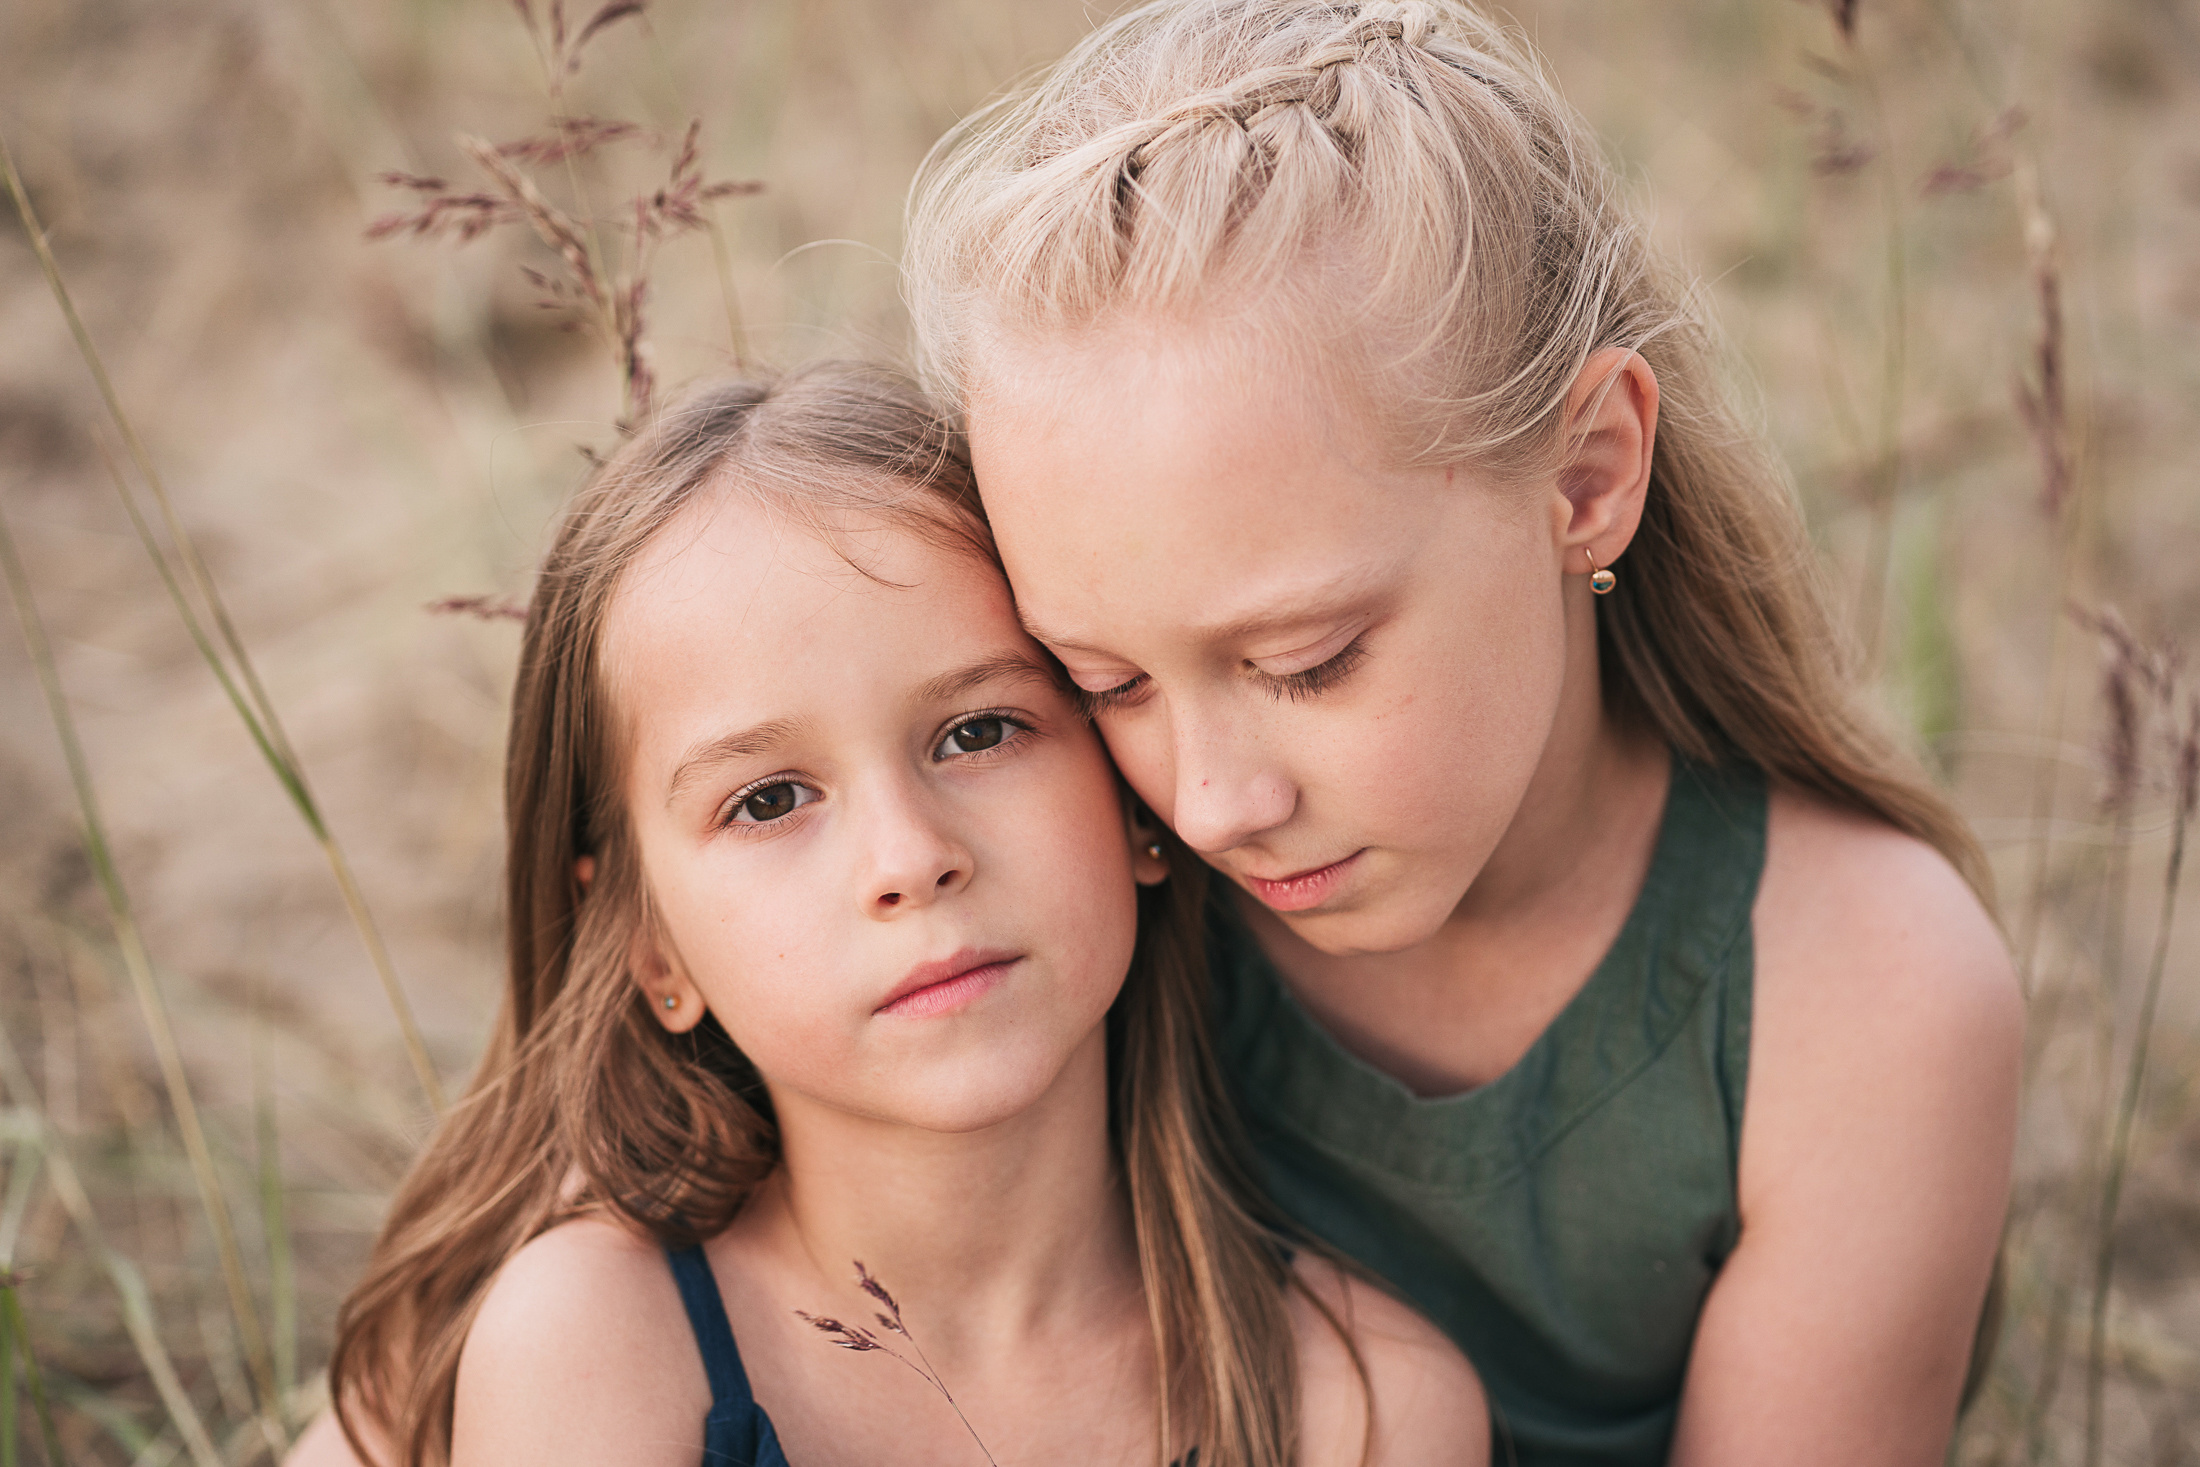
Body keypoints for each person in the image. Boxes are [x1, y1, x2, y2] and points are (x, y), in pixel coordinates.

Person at [903, 2, 2023, 1462]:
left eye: (1308, 660)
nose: (1212, 797)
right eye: (1107, 682)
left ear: (1587, 479)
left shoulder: (1865, 997)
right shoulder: (1055, 900)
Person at [285, 365, 1484, 1467]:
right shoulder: (595, 1345)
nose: (909, 860)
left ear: (1133, 802)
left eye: (977, 732)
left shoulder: (1363, 1411)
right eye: (768, 801)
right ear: (651, 946)